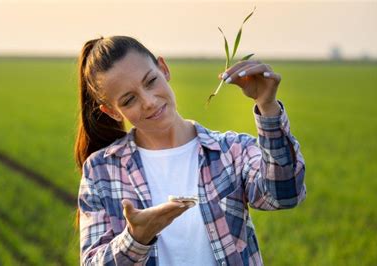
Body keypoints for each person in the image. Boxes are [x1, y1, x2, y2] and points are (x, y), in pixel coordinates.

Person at [75, 35, 306, 266]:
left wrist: (267, 106)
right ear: (112, 112)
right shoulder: (100, 171)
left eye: (150, 81)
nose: (148, 101)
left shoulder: (230, 151)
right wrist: (136, 239)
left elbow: (285, 194)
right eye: (128, 100)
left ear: (163, 69)